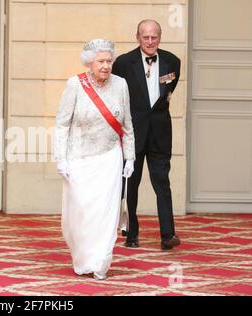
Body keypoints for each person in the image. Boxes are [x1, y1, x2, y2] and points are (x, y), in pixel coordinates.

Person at [55, 39, 135, 280]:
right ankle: (82, 257)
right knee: (80, 214)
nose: (106, 66)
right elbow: (61, 124)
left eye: (109, 61)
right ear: (90, 62)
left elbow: (127, 125)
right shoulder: (75, 85)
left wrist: (129, 158)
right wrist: (61, 159)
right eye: (101, 61)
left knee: (105, 214)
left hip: (110, 157)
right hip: (79, 158)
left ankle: (100, 261)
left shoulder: (121, 85)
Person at [112, 19, 181, 250]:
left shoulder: (173, 61)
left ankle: (168, 235)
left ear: (159, 37)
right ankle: (131, 233)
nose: (150, 41)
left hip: (161, 133)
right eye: (145, 37)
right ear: (137, 37)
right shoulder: (122, 63)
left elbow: (167, 93)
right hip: (133, 132)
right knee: (130, 184)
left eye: (154, 37)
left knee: (162, 182)